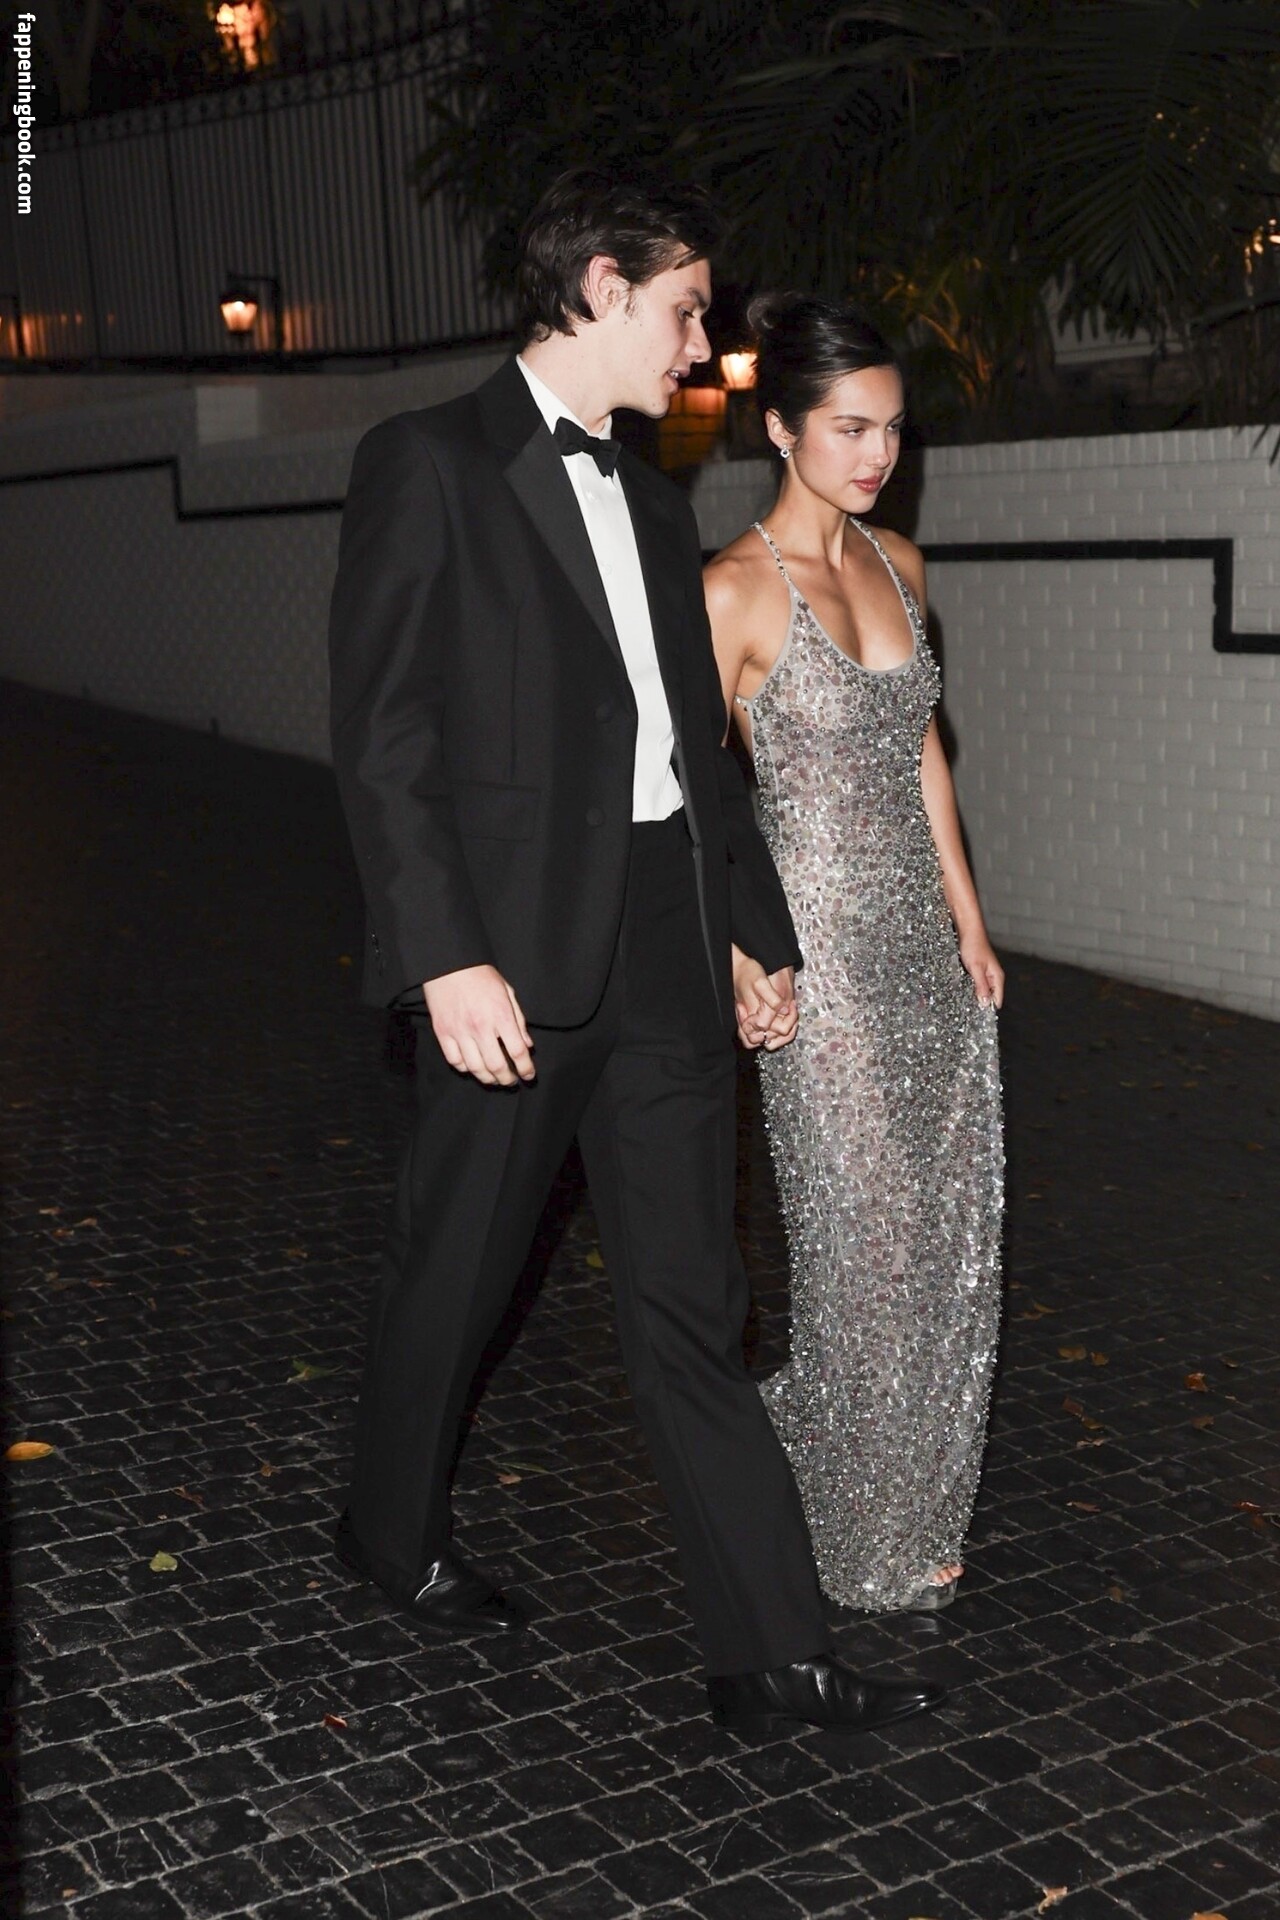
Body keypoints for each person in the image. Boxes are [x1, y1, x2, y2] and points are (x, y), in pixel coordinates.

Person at [327, 172, 942, 1732]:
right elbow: (386, 740)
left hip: (668, 946)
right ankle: (387, 1532)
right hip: (510, 965)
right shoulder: (429, 463)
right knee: (456, 1273)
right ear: (602, 287)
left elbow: (696, 753)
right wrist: (443, 957)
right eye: (683, 311)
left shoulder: (659, 502)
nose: (698, 348)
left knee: (694, 1303)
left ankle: (773, 1654)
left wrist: (749, 931)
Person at [705, 295, 1004, 1614]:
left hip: (923, 954)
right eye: (848, 427)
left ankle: (910, 1496)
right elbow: (692, 797)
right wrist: (737, 950)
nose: (879, 452)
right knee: (858, 1252)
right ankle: (854, 1527)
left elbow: (924, 753)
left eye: (891, 427)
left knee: (944, 1240)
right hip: (818, 966)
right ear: (780, 428)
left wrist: (970, 920)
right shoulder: (730, 590)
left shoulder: (903, 564)